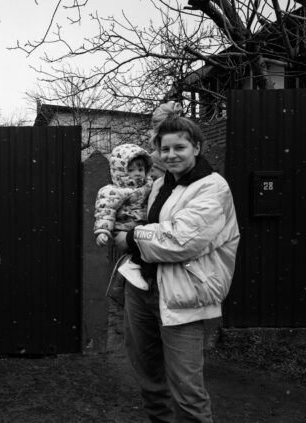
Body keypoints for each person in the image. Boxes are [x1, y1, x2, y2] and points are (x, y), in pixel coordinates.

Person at [114, 104, 240, 422]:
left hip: (183, 296)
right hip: (142, 289)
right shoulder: (160, 184)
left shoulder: (213, 187)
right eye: (164, 148)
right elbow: (155, 227)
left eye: (180, 147)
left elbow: (181, 240)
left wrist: (130, 239)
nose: (171, 155)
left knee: (188, 394)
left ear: (197, 147)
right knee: (151, 383)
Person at [94, 143, 153, 298]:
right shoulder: (113, 191)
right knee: (138, 249)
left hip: (142, 226)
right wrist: (103, 231)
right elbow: (105, 211)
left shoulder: (148, 185)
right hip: (124, 228)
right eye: (131, 170)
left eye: (140, 169)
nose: (138, 173)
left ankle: (126, 275)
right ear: (120, 172)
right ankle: (130, 269)